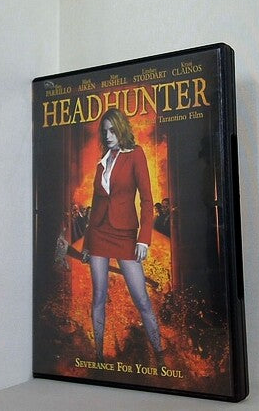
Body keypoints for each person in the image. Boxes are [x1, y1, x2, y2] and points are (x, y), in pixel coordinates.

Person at [83, 108, 164, 367]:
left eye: (112, 130)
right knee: (98, 296)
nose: (108, 136)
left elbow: (148, 200)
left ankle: (160, 356)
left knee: (142, 299)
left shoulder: (136, 154)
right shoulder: (103, 160)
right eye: (104, 131)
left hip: (126, 234)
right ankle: (98, 357)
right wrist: (87, 243)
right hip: (98, 233)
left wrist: (143, 239)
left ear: (121, 129)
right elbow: (97, 202)